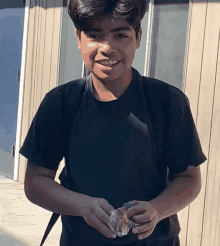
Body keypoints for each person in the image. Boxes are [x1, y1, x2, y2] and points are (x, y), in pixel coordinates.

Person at [19, 0, 207, 246]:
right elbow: (36, 181)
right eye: (95, 35)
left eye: (120, 35)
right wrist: (82, 206)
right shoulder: (61, 102)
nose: (107, 48)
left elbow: (189, 177)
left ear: (138, 37)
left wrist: (157, 209)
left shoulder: (168, 102)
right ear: (78, 39)